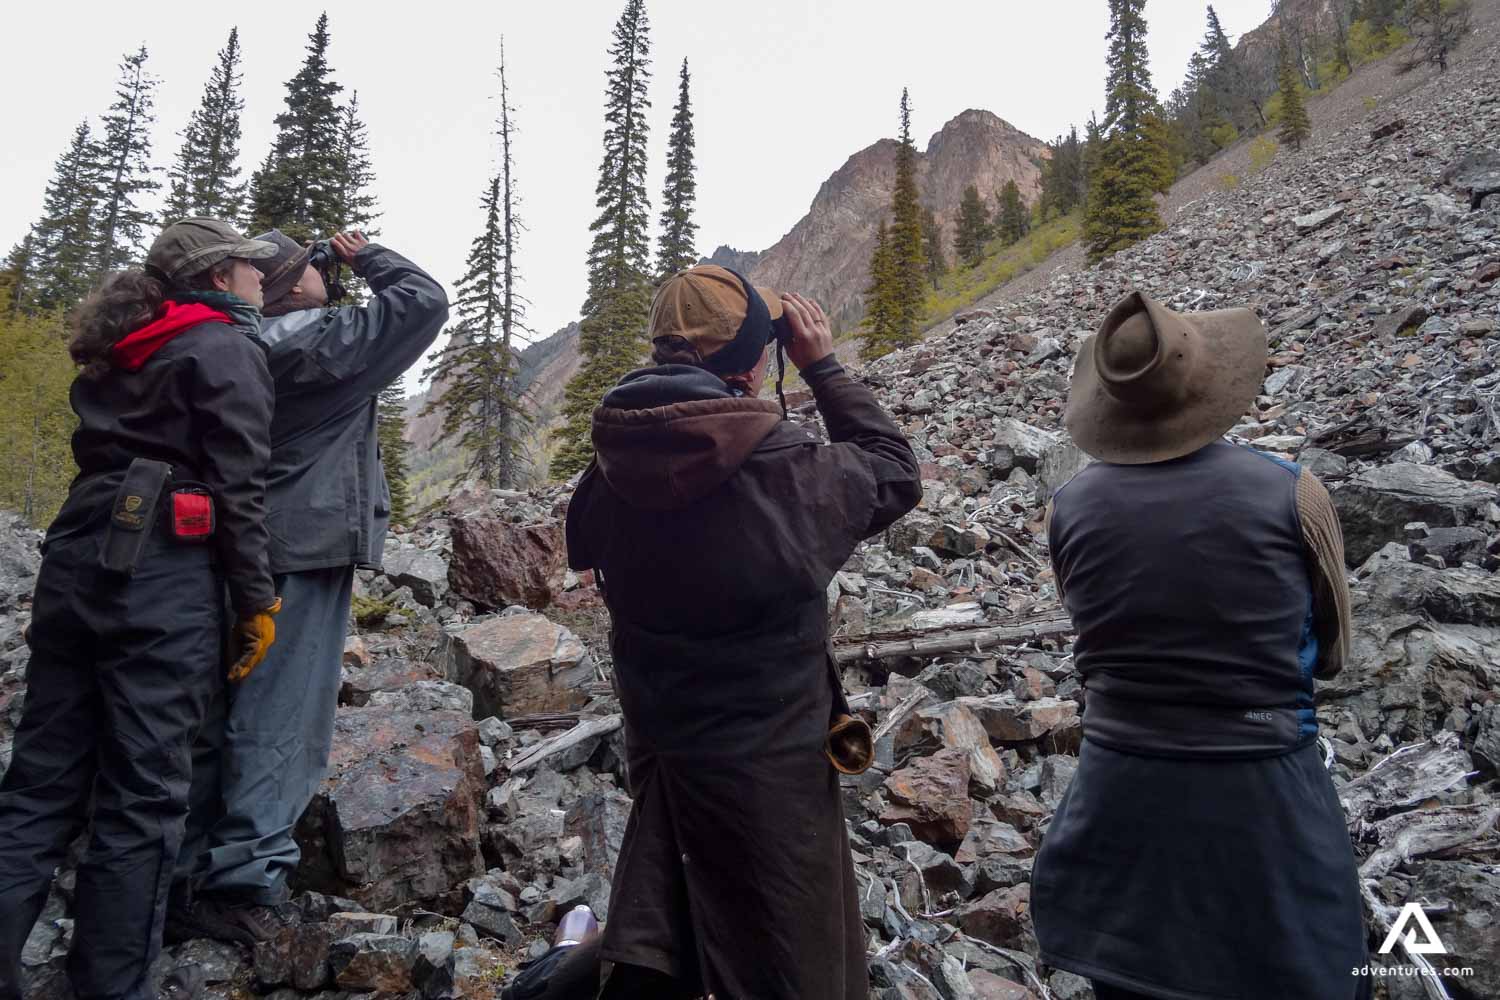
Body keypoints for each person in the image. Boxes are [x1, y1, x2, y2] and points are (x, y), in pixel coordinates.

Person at [565, 265, 922, 1000]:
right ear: (756, 362)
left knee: (676, 900)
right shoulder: (788, 471)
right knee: (788, 932)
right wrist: (822, 366)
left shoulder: (609, 468)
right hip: (772, 762)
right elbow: (895, 470)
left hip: (665, 744)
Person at [1030, 291, 1369, 1000]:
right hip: (1265, 791)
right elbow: (1333, 653)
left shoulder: (1069, 507)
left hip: (1118, 794)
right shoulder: (1293, 492)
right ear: (1207, 385)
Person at [0, 218, 282, 1000]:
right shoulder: (225, 348)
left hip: (76, 554)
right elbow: (240, 489)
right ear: (221, 277)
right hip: (164, 571)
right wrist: (256, 601)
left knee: (39, 784)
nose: (264, 280)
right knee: (144, 796)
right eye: (253, 269)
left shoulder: (129, 343)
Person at [170, 230, 448, 942]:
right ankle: (247, 880)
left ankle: (183, 871)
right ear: (291, 287)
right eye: (311, 268)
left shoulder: (229, 346)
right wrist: (367, 255)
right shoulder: (321, 343)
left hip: (226, 547)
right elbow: (421, 304)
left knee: (214, 709)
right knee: (282, 716)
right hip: (302, 544)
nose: (325, 274)